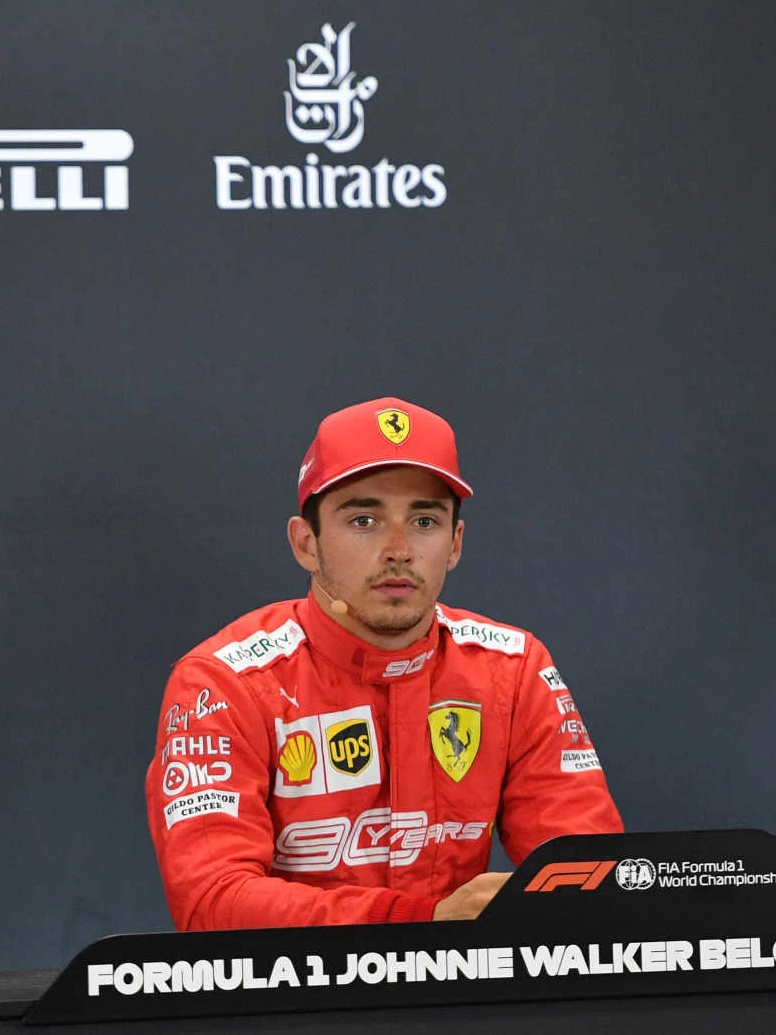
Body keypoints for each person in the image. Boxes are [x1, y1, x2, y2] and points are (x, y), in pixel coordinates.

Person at [146, 398, 622, 929]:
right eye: (364, 520)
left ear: (456, 543)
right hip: (290, 1007)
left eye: (423, 520)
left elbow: (590, 876)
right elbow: (212, 903)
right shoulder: (223, 681)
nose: (399, 549)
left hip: (464, 1003)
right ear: (306, 544)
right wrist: (424, 922)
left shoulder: (512, 669)